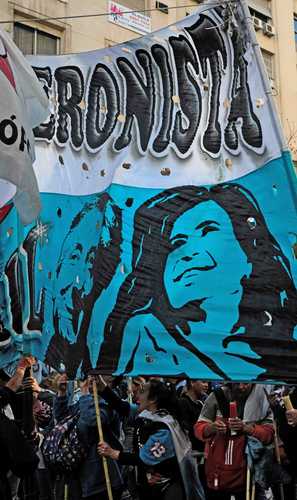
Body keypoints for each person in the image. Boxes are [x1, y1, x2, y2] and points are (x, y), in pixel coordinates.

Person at [97, 184, 297, 381]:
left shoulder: (276, 348)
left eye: (208, 230)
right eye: (177, 244)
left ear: (248, 251)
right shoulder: (144, 337)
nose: (188, 253)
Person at [45, 192, 122, 377]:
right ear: (57, 266)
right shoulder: (36, 348)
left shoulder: (99, 362)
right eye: (74, 257)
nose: (80, 283)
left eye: (92, 264)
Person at [97, 377, 205, 500]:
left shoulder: (164, 428)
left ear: (153, 399)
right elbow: (121, 406)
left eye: (142, 391)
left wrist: (113, 453)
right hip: (147, 485)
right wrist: (102, 387)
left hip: (167, 489)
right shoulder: (146, 414)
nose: (136, 392)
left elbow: (143, 458)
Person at [194, 383, 274, 500]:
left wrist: (248, 429)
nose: (241, 387)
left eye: (246, 383)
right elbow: (198, 428)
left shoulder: (262, 397)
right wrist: (211, 427)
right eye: (237, 383)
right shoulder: (217, 395)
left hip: (249, 475)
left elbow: (269, 435)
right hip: (217, 474)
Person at [53, 374, 124, 500]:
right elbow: (63, 419)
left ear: (111, 379)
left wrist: (84, 393)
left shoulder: (111, 401)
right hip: (79, 472)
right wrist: (61, 393)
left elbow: (93, 420)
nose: (92, 377)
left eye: (98, 374)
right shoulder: (87, 399)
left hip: (100, 477)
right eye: (91, 374)